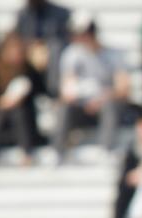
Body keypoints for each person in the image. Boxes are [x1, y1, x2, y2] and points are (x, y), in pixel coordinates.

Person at [54, 13, 129, 158]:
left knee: (110, 106)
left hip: (106, 103)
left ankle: (105, 150)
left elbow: (123, 88)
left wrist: (101, 98)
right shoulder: (72, 55)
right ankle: (58, 151)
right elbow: (67, 88)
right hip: (81, 106)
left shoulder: (113, 55)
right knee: (63, 108)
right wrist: (80, 98)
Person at [0, 33, 46, 166]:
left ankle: (26, 152)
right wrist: (5, 102)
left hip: (26, 124)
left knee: (19, 111)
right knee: (3, 112)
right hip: (3, 124)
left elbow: (42, 92)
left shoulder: (29, 71)